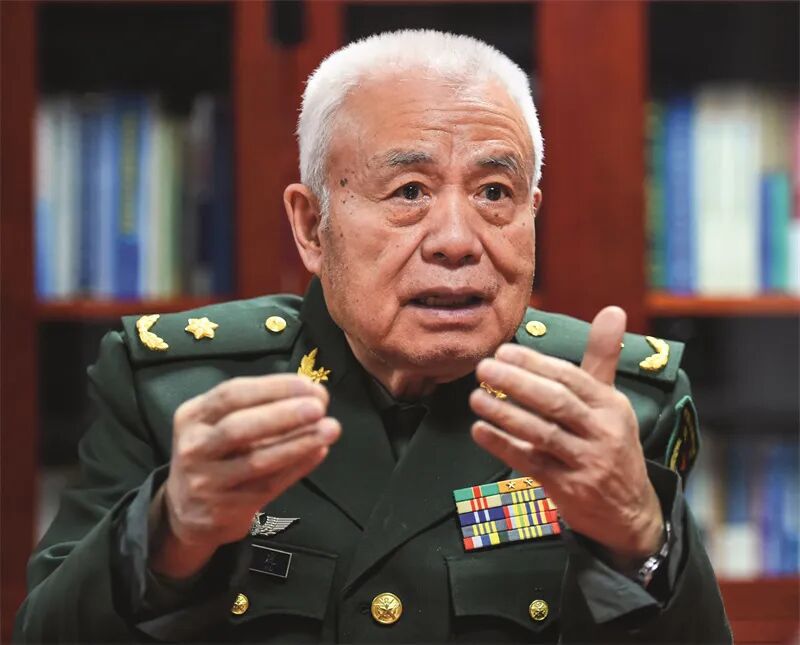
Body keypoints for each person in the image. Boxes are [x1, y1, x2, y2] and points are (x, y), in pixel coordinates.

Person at [16, 30, 731, 643]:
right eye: (410, 191)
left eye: (494, 193)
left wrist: (639, 534)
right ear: (311, 226)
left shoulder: (616, 406)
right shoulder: (174, 390)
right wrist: (169, 532)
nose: (457, 241)